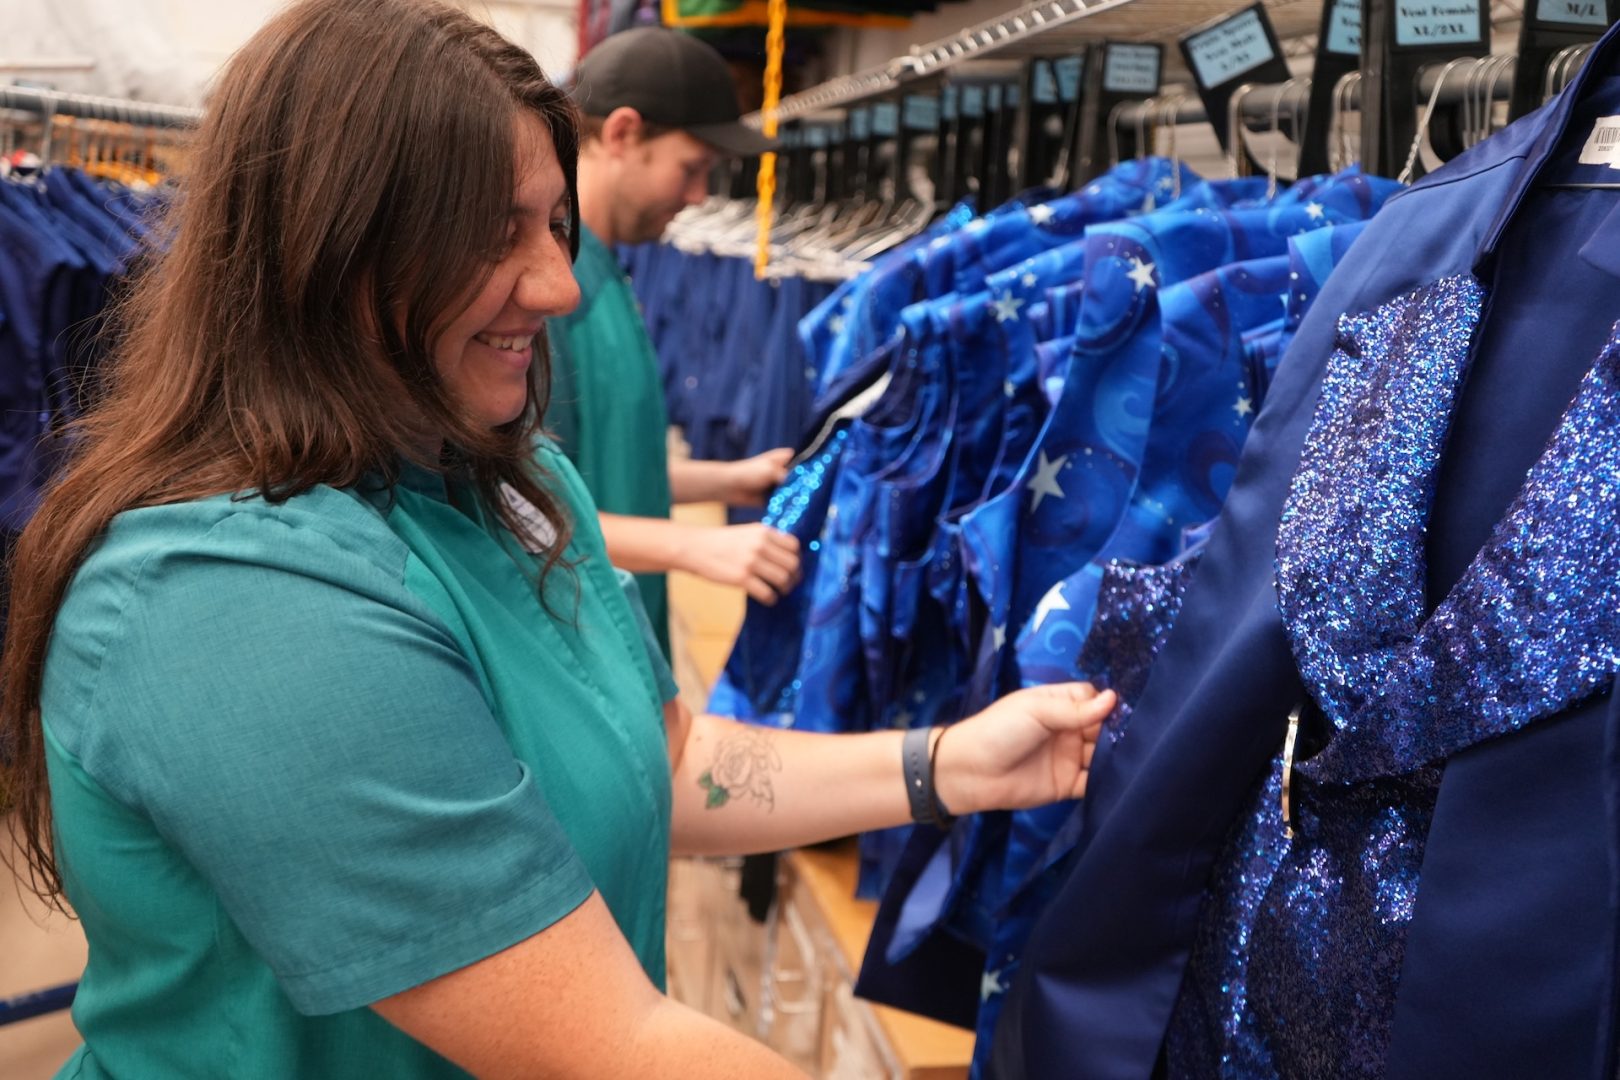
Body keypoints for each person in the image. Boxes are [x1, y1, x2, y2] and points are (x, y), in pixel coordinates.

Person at [0, 2, 1116, 1076]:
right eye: (498, 237)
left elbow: (667, 763)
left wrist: (943, 764)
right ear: (335, 249)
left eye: (554, 226)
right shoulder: (230, 600)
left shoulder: (515, 484)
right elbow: (608, 1046)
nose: (557, 287)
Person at [551, 26, 801, 657]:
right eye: (692, 170)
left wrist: (728, 480)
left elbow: (598, 466)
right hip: (580, 655)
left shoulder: (607, 269)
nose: (698, 198)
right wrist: (697, 546)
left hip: (625, 648)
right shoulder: (548, 296)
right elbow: (519, 513)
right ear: (624, 133)